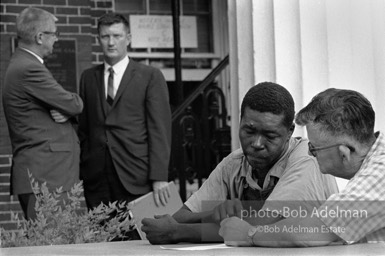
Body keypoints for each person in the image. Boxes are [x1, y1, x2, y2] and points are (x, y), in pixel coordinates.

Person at [141, 82, 338, 244]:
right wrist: (211, 214)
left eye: (270, 135)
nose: (257, 144)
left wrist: (178, 233)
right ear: (240, 121)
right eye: (249, 131)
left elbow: (260, 225)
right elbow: (181, 217)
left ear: (290, 132)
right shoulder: (234, 163)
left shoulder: (307, 158)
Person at [219, 88, 385, 246]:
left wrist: (249, 235)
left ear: (345, 153)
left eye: (314, 148)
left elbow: (305, 234)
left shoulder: (378, 177)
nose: (310, 154)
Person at [78, 13, 172, 210]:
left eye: (117, 36)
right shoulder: (88, 78)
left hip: (136, 176)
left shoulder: (150, 76)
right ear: (99, 39)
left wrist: (159, 177)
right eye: (105, 36)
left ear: (128, 39)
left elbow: (159, 131)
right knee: (101, 238)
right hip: (97, 178)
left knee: (138, 239)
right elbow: (84, 128)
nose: (111, 42)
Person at [2, 7, 83, 220]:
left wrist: (65, 112)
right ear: (40, 37)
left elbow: (60, 107)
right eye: (54, 33)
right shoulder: (29, 68)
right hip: (46, 177)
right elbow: (72, 103)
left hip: (44, 176)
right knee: (51, 249)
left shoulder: (22, 64)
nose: (56, 39)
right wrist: (71, 107)